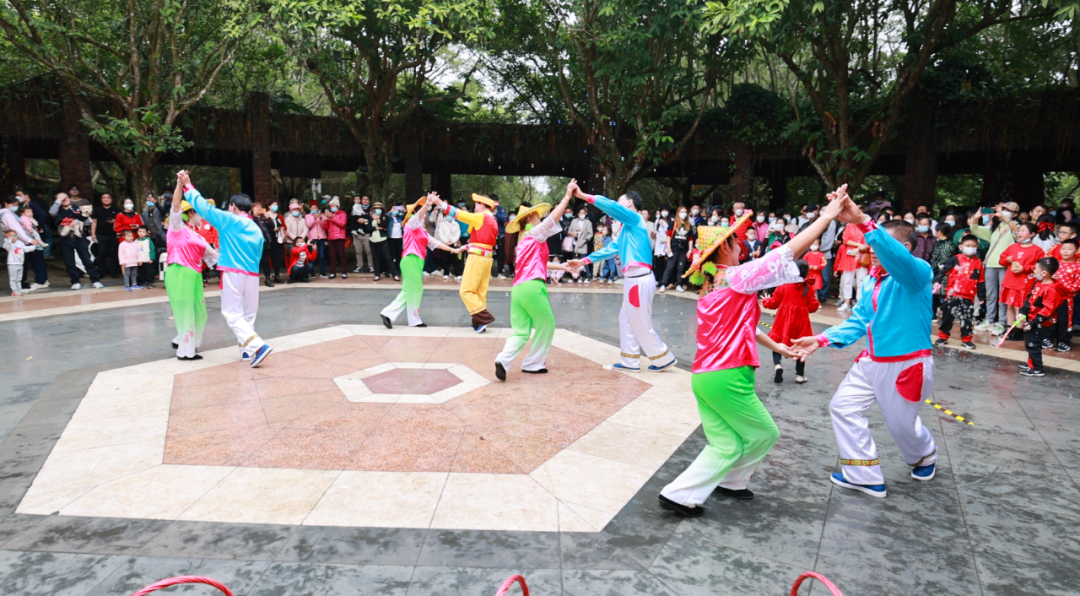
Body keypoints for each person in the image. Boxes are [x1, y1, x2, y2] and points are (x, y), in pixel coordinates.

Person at [656, 199, 842, 517]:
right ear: (724, 248)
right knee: (765, 433)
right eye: (735, 240)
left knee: (727, 445)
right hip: (728, 376)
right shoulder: (736, 277)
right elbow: (786, 253)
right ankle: (688, 490)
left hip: (707, 377)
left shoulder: (712, 286)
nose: (740, 244)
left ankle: (719, 485)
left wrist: (779, 347)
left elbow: (746, 327)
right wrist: (826, 217)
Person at [792, 201, 937, 499]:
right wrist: (821, 340)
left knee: (902, 426)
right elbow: (860, 320)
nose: (872, 248)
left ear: (904, 248)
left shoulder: (919, 273)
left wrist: (861, 219)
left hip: (906, 365)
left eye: (880, 242)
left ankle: (924, 456)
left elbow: (896, 259)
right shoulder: (873, 279)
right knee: (842, 408)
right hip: (870, 361)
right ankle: (864, 476)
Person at [568, 188, 678, 372]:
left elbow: (612, 207)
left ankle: (663, 358)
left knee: (640, 323)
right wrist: (583, 261)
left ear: (629, 203)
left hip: (639, 281)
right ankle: (630, 361)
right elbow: (611, 249)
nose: (618, 204)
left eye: (620, 201)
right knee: (626, 319)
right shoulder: (628, 228)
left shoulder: (635, 218)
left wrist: (584, 197)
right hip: (634, 280)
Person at [178, 170, 273, 367]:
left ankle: (258, 347)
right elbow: (259, 254)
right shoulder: (256, 228)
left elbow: (204, 208)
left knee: (232, 314)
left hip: (233, 272)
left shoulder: (230, 220)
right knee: (248, 315)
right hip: (252, 275)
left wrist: (188, 186)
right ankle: (247, 352)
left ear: (233, 207)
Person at [494, 182, 576, 380]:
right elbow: (553, 219)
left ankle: (502, 359)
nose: (541, 219)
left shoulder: (524, 240)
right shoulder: (535, 233)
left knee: (520, 332)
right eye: (538, 216)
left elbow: (540, 263)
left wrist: (562, 267)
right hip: (532, 287)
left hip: (518, 290)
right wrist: (567, 197)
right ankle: (533, 363)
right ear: (530, 218)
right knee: (547, 324)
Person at [380, 194, 464, 329]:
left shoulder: (422, 232)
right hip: (411, 259)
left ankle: (391, 314)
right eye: (420, 212)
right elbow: (418, 216)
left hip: (416, 261)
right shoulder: (411, 224)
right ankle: (409, 318)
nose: (424, 215)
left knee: (409, 290)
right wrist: (427, 205)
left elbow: (437, 243)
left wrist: (453, 250)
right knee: (415, 290)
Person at [164, 186, 215, 360]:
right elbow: (175, 205)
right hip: (179, 272)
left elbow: (214, 256)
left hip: (194, 275)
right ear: (191, 213)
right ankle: (185, 351)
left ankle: (182, 340)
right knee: (186, 312)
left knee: (200, 313)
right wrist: (180, 184)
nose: (203, 217)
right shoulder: (177, 227)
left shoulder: (198, 236)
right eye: (200, 213)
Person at [438, 193, 500, 331]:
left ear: (483, 205)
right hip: (487, 258)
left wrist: (440, 203)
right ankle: (479, 323)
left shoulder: (481, 217)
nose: (475, 207)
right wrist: (466, 247)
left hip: (477, 258)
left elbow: (460, 214)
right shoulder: (492, 219)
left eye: (477, 204)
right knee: (480, 292)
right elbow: (484, 242)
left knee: (465, 290)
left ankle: (484, 319)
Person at [763, 260, 820, 384]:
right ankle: (799, 375)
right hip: (801, 321)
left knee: (777, 341)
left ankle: (777, 365)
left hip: (783, 319)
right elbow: (813, 307)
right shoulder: (808, 288)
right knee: (801, 345)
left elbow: (773, 303)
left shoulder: (783, 285)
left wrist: (766, 301)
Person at [971, 203, 1018, 335]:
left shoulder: (1015, 226)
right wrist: (976, 218)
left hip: (1006, 265)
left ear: (1015, 214)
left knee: (1003, 295)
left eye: (1009, 211)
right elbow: (975, 229)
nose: (1005, 212)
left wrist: (1004, 217)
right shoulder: (995, 227)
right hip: (991, 263)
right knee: (990, 294)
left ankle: (1001, 322)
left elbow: (1017, 232)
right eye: (1004, 209)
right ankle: (989, 320)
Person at [934, 235, 984, 349]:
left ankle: (966, 339)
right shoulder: (955, 259)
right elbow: (944, 271)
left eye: (973, 246)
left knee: (967, 319)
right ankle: (943, 337)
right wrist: (937, 281)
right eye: (968, 246)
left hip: (968, 296)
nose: (970, 248)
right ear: (961, 247)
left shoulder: (978, 263)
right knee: (947, 317)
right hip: (953, 294)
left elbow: (980, 280)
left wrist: (981, 296)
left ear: (977, 247)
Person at [1017, 257, 1063, 378]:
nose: (1034, 271)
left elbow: (1047, 310)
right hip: (1033, 319)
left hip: (1041, 322)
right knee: (1030, 342)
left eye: (1035, 269)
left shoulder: (1051, 290)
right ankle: (1031, 363)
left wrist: (1033, 322)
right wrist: (1023, 311)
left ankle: (1037, 369)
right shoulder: (1038, 283)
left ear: (1044, 273)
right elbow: (1030, 299)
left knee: (1033, 344)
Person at [51, 192, 104, 290]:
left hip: (79, 237)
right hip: (65, 237)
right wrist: (58, 200)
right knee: (69, 262)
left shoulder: (76, 208)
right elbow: (51, 213)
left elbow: (86, 222)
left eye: (66, 197)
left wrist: (79, 219)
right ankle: (75, 281)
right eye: (61, 199)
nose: (64, 199)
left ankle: (95, 280)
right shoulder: (57, 210)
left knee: (87, 260)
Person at [998, 222, 1041, 341]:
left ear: (1032, 234)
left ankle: (1018, 331)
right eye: (1019, 230)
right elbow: (1001, 260)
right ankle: (1009, 329)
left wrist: (1025, 268)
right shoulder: (1012, 247)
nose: (1019, 233)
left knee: (1019, 307)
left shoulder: (1037, 250)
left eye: (1023, 230)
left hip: (1024, 284)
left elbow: (1040, 267)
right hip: (1010, 281)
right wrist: (1007, 260)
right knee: (1009, 306)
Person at [1050, 239, 1080, 352]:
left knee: (1064, 321)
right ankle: (1049, 338)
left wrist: (1059, 285)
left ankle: (1063, 341)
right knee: (1051, 319)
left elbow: (1077, 285)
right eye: (1063, 249)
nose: (1065, 251)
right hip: (1051, 298)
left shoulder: (1077, 267)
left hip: (1066, 299)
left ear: (1077, 250)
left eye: (1070, 249)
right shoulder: (1054, 264)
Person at [834, 220, 870, 312]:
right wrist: (858, 245)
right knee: (847, 281)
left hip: (862, 258)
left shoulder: (867, 226)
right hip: (849, 257)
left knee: (861, 282)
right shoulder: (849, 225)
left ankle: (859, 303)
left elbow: (869, 241)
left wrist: (858, 249)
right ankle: (846, 303)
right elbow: (846, 240)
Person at [661, 206, 695, 292]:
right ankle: (664, 284)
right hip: (673, 249)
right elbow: (668, 236)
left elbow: (690, 239)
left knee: (681, 268)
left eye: (685, 212)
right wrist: (669, 247)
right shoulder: (673, 223)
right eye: (681, 212)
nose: (683, 214)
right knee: (669, 267)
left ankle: (679, 284)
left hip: (683, 250)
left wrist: (690, 250)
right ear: (678, 213)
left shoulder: (688, 225)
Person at [91, 193, 121, 278]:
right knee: (101, 253)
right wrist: (93, 234)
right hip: (101, 235)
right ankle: (101, 271)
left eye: (108, 198)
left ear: (111, 199)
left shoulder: (117, 209)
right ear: (101, 200)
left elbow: (121, 221)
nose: (106, 199)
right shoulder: (97, 210)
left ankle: (114, 271)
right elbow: (94, 222)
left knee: (114, 253)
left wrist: (115, 221)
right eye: (104, 198)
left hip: (114, 235)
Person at [366, 202, 396, 281]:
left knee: (387, 257)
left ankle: (395, 274)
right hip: (372, 240)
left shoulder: (385, 217)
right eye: (376, 208)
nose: (377, 210)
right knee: (375, 258)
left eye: (379, 208)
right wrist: (376, 228)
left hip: (382, 240)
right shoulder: (370, 218)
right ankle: (377, 274)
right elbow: (367, 228)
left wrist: (377, 220)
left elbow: (385, 225)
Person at [3, 227, 36, 295]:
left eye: (15, 235)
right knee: (13, 278)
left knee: (19, 278)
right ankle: (14, 290)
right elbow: (7, 245)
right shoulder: (8, 244)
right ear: (8, 237)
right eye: (11, 236)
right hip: (12, 264)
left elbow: (26, 249)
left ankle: (19, 289)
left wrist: (34, 246)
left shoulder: (20, 243)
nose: (14, 237)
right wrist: (7, 239)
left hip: (20, 263)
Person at [323, 197, 349, 279]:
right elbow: (326, 228)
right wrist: (325, 220)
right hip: (331, 237)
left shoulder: (342, 214)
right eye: (331, 206)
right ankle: (332, 272)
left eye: (333, 206)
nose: (332, 207)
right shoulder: (329, 214)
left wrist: (332, 218)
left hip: (340, 236)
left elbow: (342, 224)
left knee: (341, 255)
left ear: (338, 206)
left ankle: (344, 272)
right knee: (332, 256)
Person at [567, 205, 593, 282]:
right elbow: (569, 231)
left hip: (583, 244)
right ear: (578, 214)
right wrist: (573, 234)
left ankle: (587, 277)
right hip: (574, 243)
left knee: (584, 260)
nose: (583, 214)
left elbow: (590, 234)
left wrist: (585, 240)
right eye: (581, 213)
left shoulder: (588, 222)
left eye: (584, 213)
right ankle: (574, 277)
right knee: (574, 261)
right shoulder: (574, 221)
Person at [351, 195, 373, 273]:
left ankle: (371, 266)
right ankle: (359, 266)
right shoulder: (356, 207)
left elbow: (372, 220)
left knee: (369, 251)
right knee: (358, 251)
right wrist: (358, 220)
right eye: (363, 199)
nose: (365, 201)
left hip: (367, 233)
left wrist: (365, 220)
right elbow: (352, 218)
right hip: (357, 234)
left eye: (367, 199)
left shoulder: (372, 209)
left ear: (369, 201)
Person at [306, 202, 328, 278]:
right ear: (310, 209)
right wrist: (314, 218)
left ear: (318, 208)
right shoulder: (307, 216)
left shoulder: (322, 215)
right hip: (312, 237)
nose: (314, 209)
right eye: (312, 208)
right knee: (312, 255)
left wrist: (321, 219)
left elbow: (325, 227)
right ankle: (312, 273)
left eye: (315, 208)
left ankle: (323, 272)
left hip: (322, 237)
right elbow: (309, 225)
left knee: (322, 255)